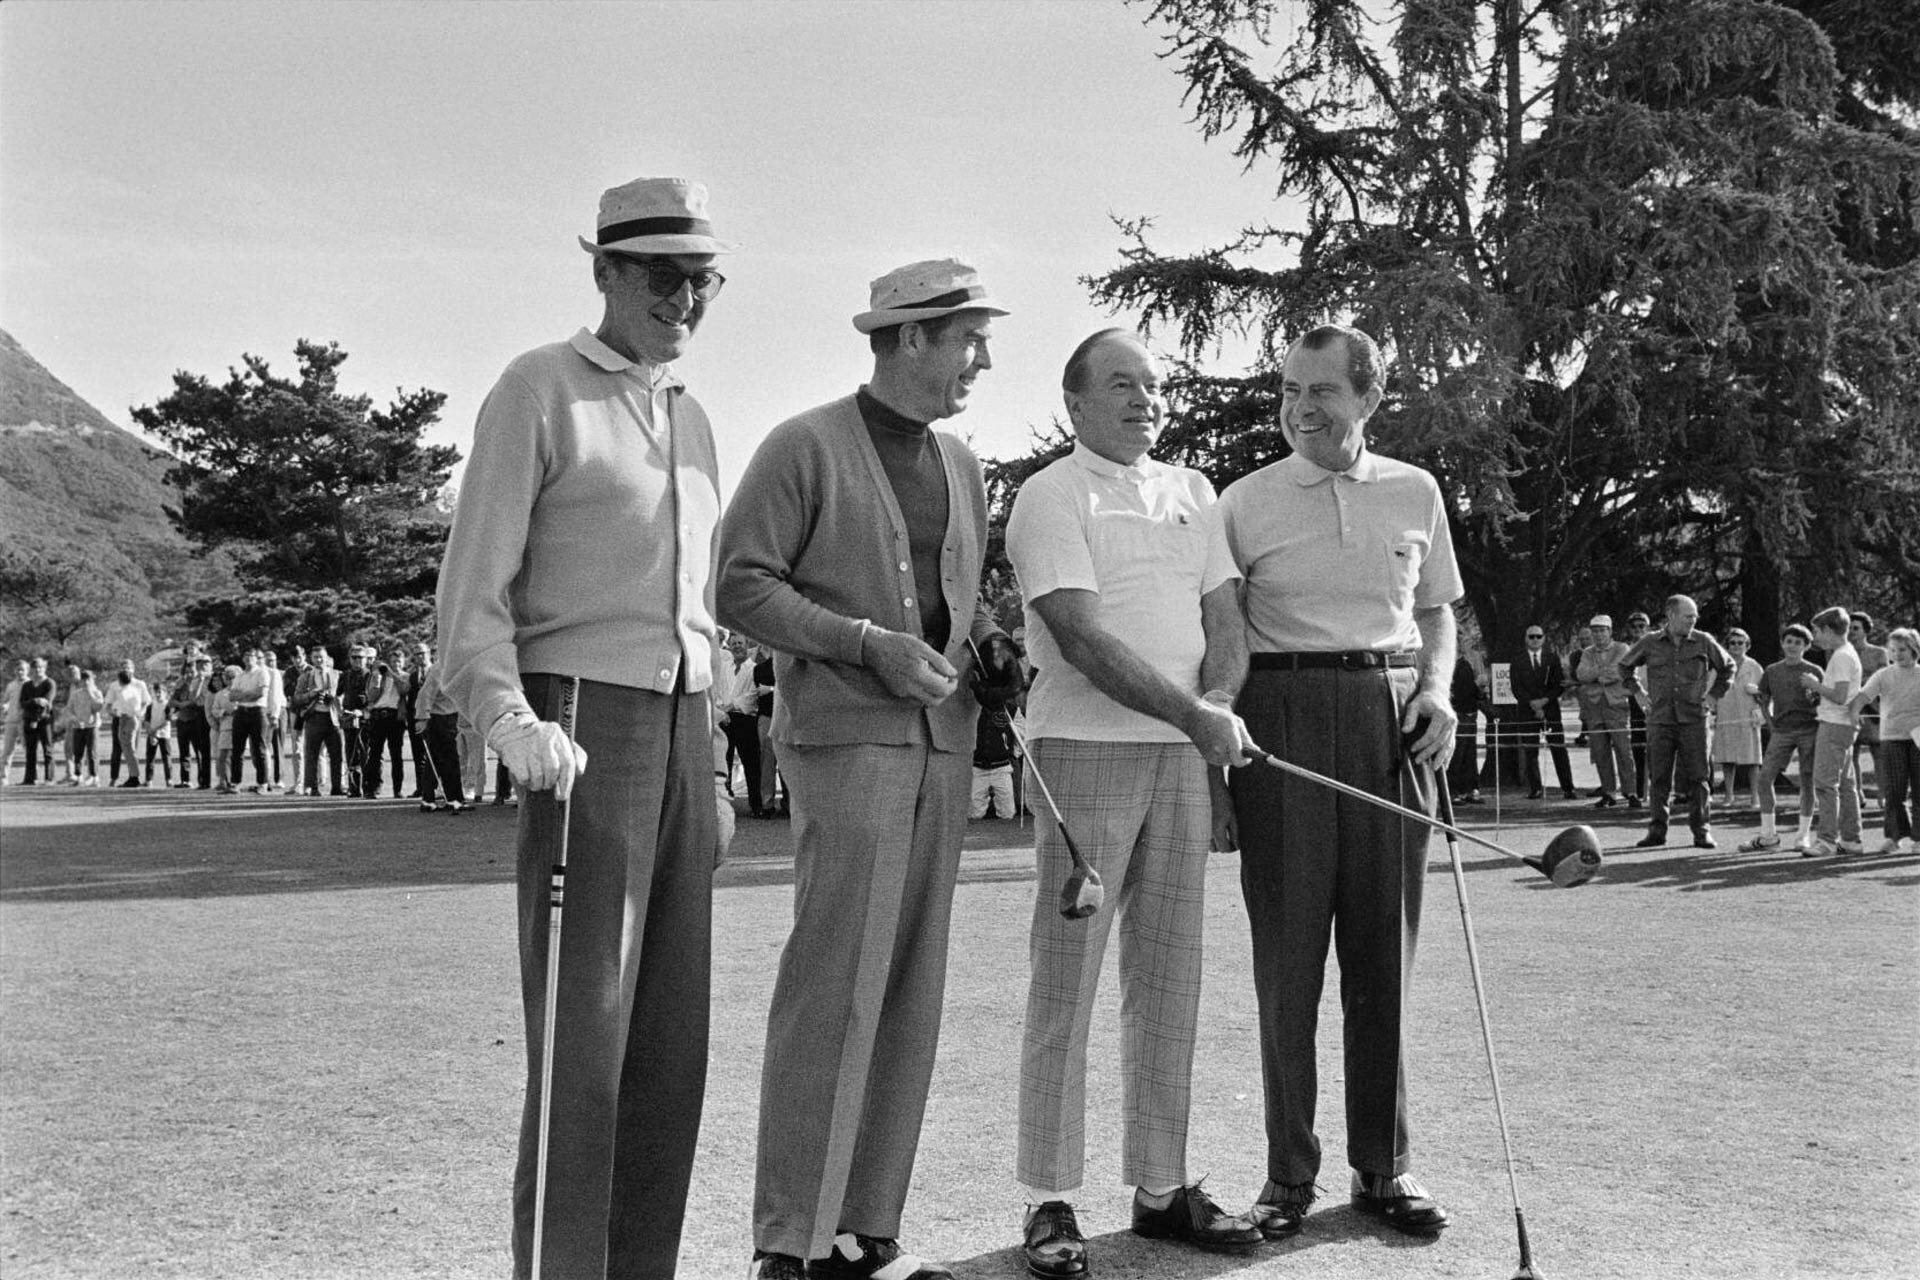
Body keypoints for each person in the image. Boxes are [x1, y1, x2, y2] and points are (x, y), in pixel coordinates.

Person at [435, 175, 733, 1280]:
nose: (684, 297)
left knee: (670, 1054)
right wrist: (506, 715)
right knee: (583, 1051)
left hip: (686, 730)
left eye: (703, 277)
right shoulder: (538, 389)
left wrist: (714, 746)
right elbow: (473, 591)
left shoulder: (691, 412)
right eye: (661, 274)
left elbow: (695, 606)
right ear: (603, 270)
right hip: (578, 728)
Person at [718, 256, 1008, 1280]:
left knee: (911, 989)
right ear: (911, 337)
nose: (981, 355)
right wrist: (859, 640)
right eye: (967, 335)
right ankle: (788, 1237)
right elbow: (738, 584)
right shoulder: (802, 445)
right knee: (834, 987)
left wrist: (989, 647)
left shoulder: (965, 463)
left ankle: (863, 1227)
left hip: (943, 744)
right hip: (848, 745)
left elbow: (954, 605)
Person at [1003, 328, 1262, 1277]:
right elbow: (1076, 635)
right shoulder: (1050, 493)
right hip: (1086, 753)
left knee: (1170, 980)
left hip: (1185, 759)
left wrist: (1218, 709)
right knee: (1065, 979)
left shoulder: (1193, 491)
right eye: (1121, 385)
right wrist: (1197, 715)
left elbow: (1224, 620)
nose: (1144, 400)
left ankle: (1161, 1187)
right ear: (1075, 404)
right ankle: (1048, 1196)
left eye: (1153, 386)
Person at [1217, 323, 1462, 1240]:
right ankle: (1289, 1174)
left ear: (1369, 396)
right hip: (1280, 722)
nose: (1301, 409)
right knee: (1287, 961)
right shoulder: (1241, 501)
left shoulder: (1416, 489)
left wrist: (1437, 690)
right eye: (1288, 390)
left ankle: (1384, 1168)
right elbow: (1224, 636)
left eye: (1322, 391)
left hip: (1391, 719)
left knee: (1381, 957)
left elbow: (1435, 612)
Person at [1621, 596, 1733, 850]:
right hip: (1660, 720)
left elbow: (1728, 667)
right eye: (1688, 616)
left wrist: (1714, 695)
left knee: (1699, 777)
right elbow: (1625, 667)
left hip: (1694, 720)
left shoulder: (1704, 641)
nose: (1693, 620)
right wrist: (1638, 693)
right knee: (1659, 777)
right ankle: (1657, 831)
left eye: (1695, 616)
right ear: (1671, 615)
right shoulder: (1650, 642)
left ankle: (1702, 831)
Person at [1741, 624, 1825, 853]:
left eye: (1798, 642)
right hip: (1782, 731)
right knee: (1764, 778)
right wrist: (1770, 724)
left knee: (1807, 781)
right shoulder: (1772, 670)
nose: (1792, 646)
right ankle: (1769, 836)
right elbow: (1762, 697)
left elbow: (1823, 699)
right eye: (1789, 641)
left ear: (1806, 646)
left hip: (1810, 730)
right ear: (1782, 643)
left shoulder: (1814, 670)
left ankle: (1803, 836)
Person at [1804, 606, 1866, 856]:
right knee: (1845, 784)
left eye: (1817, 631)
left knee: (1825, 783)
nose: (1815, 636)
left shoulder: (1841, 656)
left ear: (1829, 630)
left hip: (1834, 725)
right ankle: (1851, 839)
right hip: (1843, 725)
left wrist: (1814, 685)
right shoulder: (1845, 654)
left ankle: (1827, 841)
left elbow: (1840, 696)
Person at [1854, 626, 1920, 854]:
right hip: (1891, 738)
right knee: (1893, 791)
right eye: (1893, 650)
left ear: (1914, 650)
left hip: (1918, 740)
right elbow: (1862, 696)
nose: (1898, 654)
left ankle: (1919, 839)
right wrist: (1852, 714)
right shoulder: (1883, 675)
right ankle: (1894, 837)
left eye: (1903, 649)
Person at [1575, 614, 1637, 807]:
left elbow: (1618, 672)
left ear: (1610, 631)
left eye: (1602, 630)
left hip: (1616, 704)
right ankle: (1608, 791)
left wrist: (1596, 674)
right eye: (1595, 631)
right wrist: (1600, 673)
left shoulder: (1622, 648)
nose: (1598, 635)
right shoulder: (1587, 652)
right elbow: (1581, 674)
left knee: (1623, 749)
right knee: (1600, 751)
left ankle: (1630, 791)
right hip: (1594, 705)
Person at [1508, 623, 1574, 800]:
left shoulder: (1552, 658)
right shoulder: (1517, 660)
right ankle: (1535, 788)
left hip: (1550, 709)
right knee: (1531, 752)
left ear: (1544, 638)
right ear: (1526, 639)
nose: (1535, 640)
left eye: (1538, 636)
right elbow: (1516, 688)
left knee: (1558, 748)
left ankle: (1568, 788)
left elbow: (1558, 684)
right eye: (1531, 636)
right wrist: (1533, 704)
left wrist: (1544, 702)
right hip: (1527, 711)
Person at [1712, 628, 1765, 807]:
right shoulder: (1721, 665)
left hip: (1748, 714)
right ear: (1727, 645)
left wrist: (1757, 692)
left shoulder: (1754, 666)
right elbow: (1712, 690)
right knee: (1728, 758)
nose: (1736, 646)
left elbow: (1765, 693)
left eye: (1740, 643)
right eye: (1733, 643)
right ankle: (1728, 795)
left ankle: (1755, 797)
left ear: (1747, 645)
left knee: (1752, 758)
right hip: (1726, 713)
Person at [715, 633, 765, 816]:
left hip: (744, 718)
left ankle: (756, 804)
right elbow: (717, 690)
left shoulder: (754, 669)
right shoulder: (723, 668)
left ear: (747, 645)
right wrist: (721, 711)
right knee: (723, 762)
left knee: (751, 763)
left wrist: (732, 705)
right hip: (724, 719)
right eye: (734, 643)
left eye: (740, 643)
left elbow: (753, 695)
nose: (737, 646)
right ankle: (723, 804)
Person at [293, 648, 344, 796]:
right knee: (311, 753)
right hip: (314, 717)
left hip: (333, 718)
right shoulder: (306, 677)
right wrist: (311, 694)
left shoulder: (338, 675)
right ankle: (312, 787)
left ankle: (337, 786)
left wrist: (334, 698)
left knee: (336, 755)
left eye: (321, 657)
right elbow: (297, 698)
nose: (319, 660)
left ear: (327, 657)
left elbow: (344, 695)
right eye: (315, 658)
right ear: (311, 659)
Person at [1848, 612, 1888, 796]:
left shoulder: (1879, 653)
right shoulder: (1839, 653)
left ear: (1865, 631)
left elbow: (1882, 681)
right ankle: (1857, 794)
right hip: (1849, 708)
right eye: (1848, 627)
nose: (1851, 632)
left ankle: (1883, 795)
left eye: (1855, 628)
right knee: (1851, 753)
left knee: (1878, 753)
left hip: (1873, 709)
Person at [362, 648, 409, 799]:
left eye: (399, 661)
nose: (396, 664)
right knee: (375, 754)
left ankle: (397, 789)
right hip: (378, 716)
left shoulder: (405, 676)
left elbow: (403, 690)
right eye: (393, 661)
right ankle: (373, 788)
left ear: (403, 663)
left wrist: (392, 674)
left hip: (395, 717)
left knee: (396, 754)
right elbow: (371, 697)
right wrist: (377, 678)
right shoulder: (378, 676)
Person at [102, 659, 153, 788]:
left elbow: (146, 701)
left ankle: (133, 776)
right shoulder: (115, 685)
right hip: (120, 718)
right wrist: (115, 713)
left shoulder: (139, 684)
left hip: (133, 719)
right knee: (118, 749)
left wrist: (140, 713)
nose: (126, 669)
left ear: (133, 669)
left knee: (131, 748)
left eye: (128, 667)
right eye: (123, 667)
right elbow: (108, 704)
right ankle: (115, 777)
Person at [227, 648, 272, 791]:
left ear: (256, 658)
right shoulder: (240, 676)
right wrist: (247, 695)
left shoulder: (262, 672)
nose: (248, 659)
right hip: (241, 712)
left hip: (257, 712)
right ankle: (235, 783)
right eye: (245, 656)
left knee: (259, 748)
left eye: (251, 656)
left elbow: (259, 693)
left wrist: (243, 695)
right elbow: (232, 696)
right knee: (237, 749)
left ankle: (263, 783)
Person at [172, 644, 213, 789]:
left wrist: (184, 704)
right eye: (200, 664)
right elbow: (192, 697)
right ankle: (194, 780)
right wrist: (199, 681)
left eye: (205, 664)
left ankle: (206, 780)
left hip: (203, 715)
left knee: (202, 751)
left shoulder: (213, 679)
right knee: (189, 751)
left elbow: (195, 700)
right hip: (192, 717)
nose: (203, 667)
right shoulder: (191, 682)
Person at [1447, 652, 1486, 803]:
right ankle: (1453, 792)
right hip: (1457, 714)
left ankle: (1470, 789)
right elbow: (1457, 690)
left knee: (1470, 754)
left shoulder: (1466, 663)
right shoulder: (1448, 662)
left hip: (1470, 714)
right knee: (1457, 754)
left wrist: (1480, 691)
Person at [338, 644, 374, 797]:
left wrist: (363, 711)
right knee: (350, 754)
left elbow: (375, 699)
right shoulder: (345, 675)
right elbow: (337, 695)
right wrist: (340, 709)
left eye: (360, 657)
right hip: (348, 718)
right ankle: (354, 788)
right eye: (354, 657)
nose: (357, 660)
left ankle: (368, 788)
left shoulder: (371, 675)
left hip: (365, 719)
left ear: (366, 659)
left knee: (366, 753)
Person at [1624, 609, 1653, 799]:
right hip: (1635, 702)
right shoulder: (1627, 650)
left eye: (1641, 626)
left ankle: (1657, 789)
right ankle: (1641, 790)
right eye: (1634, 627)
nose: (1637, 630)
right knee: (1638, 746)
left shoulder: (1655, 647)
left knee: (1658, 747)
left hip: (1656, 700)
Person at [61, 665, 102, 786]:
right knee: (77, 752)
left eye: (88, 679)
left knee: (92, 752)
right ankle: (78, 775)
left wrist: (90, 693)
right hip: (78, 726)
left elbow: (98, 707)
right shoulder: (76, 694)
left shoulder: (96, 692)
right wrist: (74, 719)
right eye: (84, 679)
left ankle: (94, 776)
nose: (86, 681)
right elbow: (69, 709)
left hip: (91, 726)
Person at [142, 677, 176, 786]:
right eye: (156, 692)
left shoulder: (167, 705)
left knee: (166, 758)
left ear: (165, 693)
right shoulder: (150, 706)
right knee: (150, 758)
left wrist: (156, 730)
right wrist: (151, 733)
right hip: (152, 735)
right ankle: (149, 780)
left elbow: (167, 721)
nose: (158, 694)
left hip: (164, 735)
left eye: (160, 692)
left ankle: (169, 779)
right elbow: (146, 721)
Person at [0, 659, 25, 784]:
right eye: (18, 670)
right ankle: (3, 778)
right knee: (7, 750)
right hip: (10, 720)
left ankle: (31, 776)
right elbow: (6, 700)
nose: (20, 672)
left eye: (22, 670)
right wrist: (5, 706)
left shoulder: (31, 684)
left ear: (27, 671)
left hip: (24, 721)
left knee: (28, 750)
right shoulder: (11, 685)